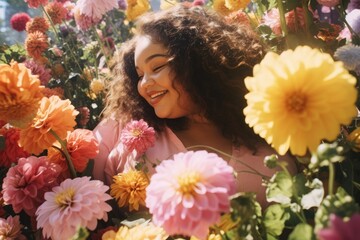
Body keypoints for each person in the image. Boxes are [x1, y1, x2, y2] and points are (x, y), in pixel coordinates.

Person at [93, 4, 298, 206]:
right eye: (139, 75)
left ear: (197, 61)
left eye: (157, 67)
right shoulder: (126, 129)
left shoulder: (265, 124)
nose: (144, 84)